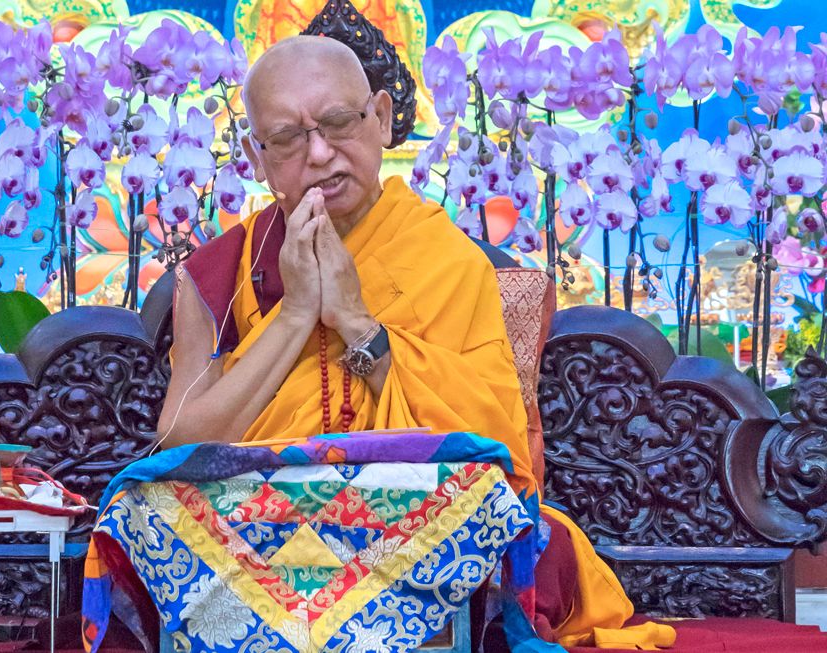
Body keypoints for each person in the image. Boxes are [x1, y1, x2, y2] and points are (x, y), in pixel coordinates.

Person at [156, 35, 668, 650]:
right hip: (258, 531)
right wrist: (295, 313)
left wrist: (355, 322)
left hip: (416, 532)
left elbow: (492, 450)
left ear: (382, 119)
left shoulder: (450, 262)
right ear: (255, 156)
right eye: (288, 139)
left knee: (536, 545)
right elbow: (178, 448)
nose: (319, 154)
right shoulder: (223, 271)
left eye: (338, 122)